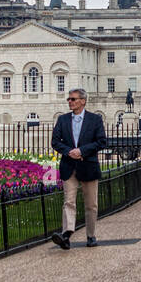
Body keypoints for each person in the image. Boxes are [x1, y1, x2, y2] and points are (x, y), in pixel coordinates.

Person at [49, 88, 107, 249]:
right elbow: (55, 142)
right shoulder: (62, 119)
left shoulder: (95, 119)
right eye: (69, 99)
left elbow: (101, 141)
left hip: (88, 165)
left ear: (83, 101)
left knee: (91, 204)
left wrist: (82, 151)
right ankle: (66, 235)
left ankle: (91, 235)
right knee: (68, 202)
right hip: (69, 166)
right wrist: (69, 151)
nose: (70, 101)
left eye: (73, 99)